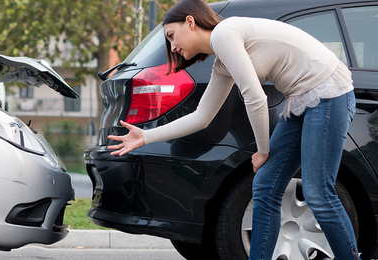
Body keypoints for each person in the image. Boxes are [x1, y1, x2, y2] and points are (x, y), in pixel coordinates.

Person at [107, 0, 359, 259]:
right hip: (300, 100)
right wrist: (146, 136)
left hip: (329, 92)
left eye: (172, 36)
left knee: (318, 193)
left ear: (190, 22)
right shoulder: (222, 62)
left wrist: (263, 151)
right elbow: (201, 117)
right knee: (265, 185)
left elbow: (256, 98)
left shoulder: (224, 34)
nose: (172, 46)